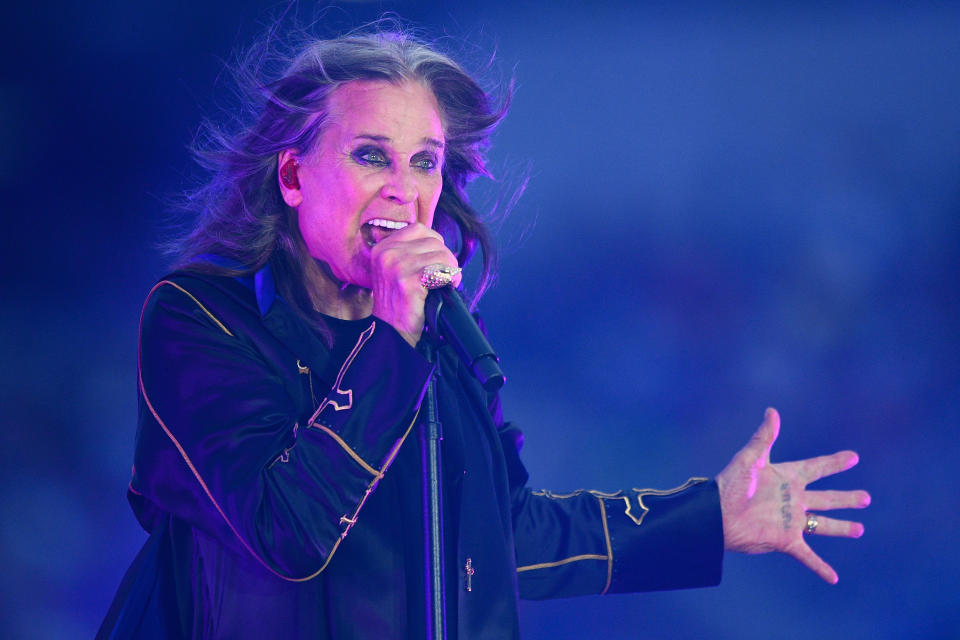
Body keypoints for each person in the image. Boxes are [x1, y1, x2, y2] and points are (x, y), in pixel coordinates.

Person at [98, 27, 870, 639]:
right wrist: (392, 337)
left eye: (425, 162)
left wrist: (710, 520)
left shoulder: (437, 343)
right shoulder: (199, 320)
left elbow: (504, 539)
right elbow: (287, 533)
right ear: (294, 176)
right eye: (371, 155)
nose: (404, 190)